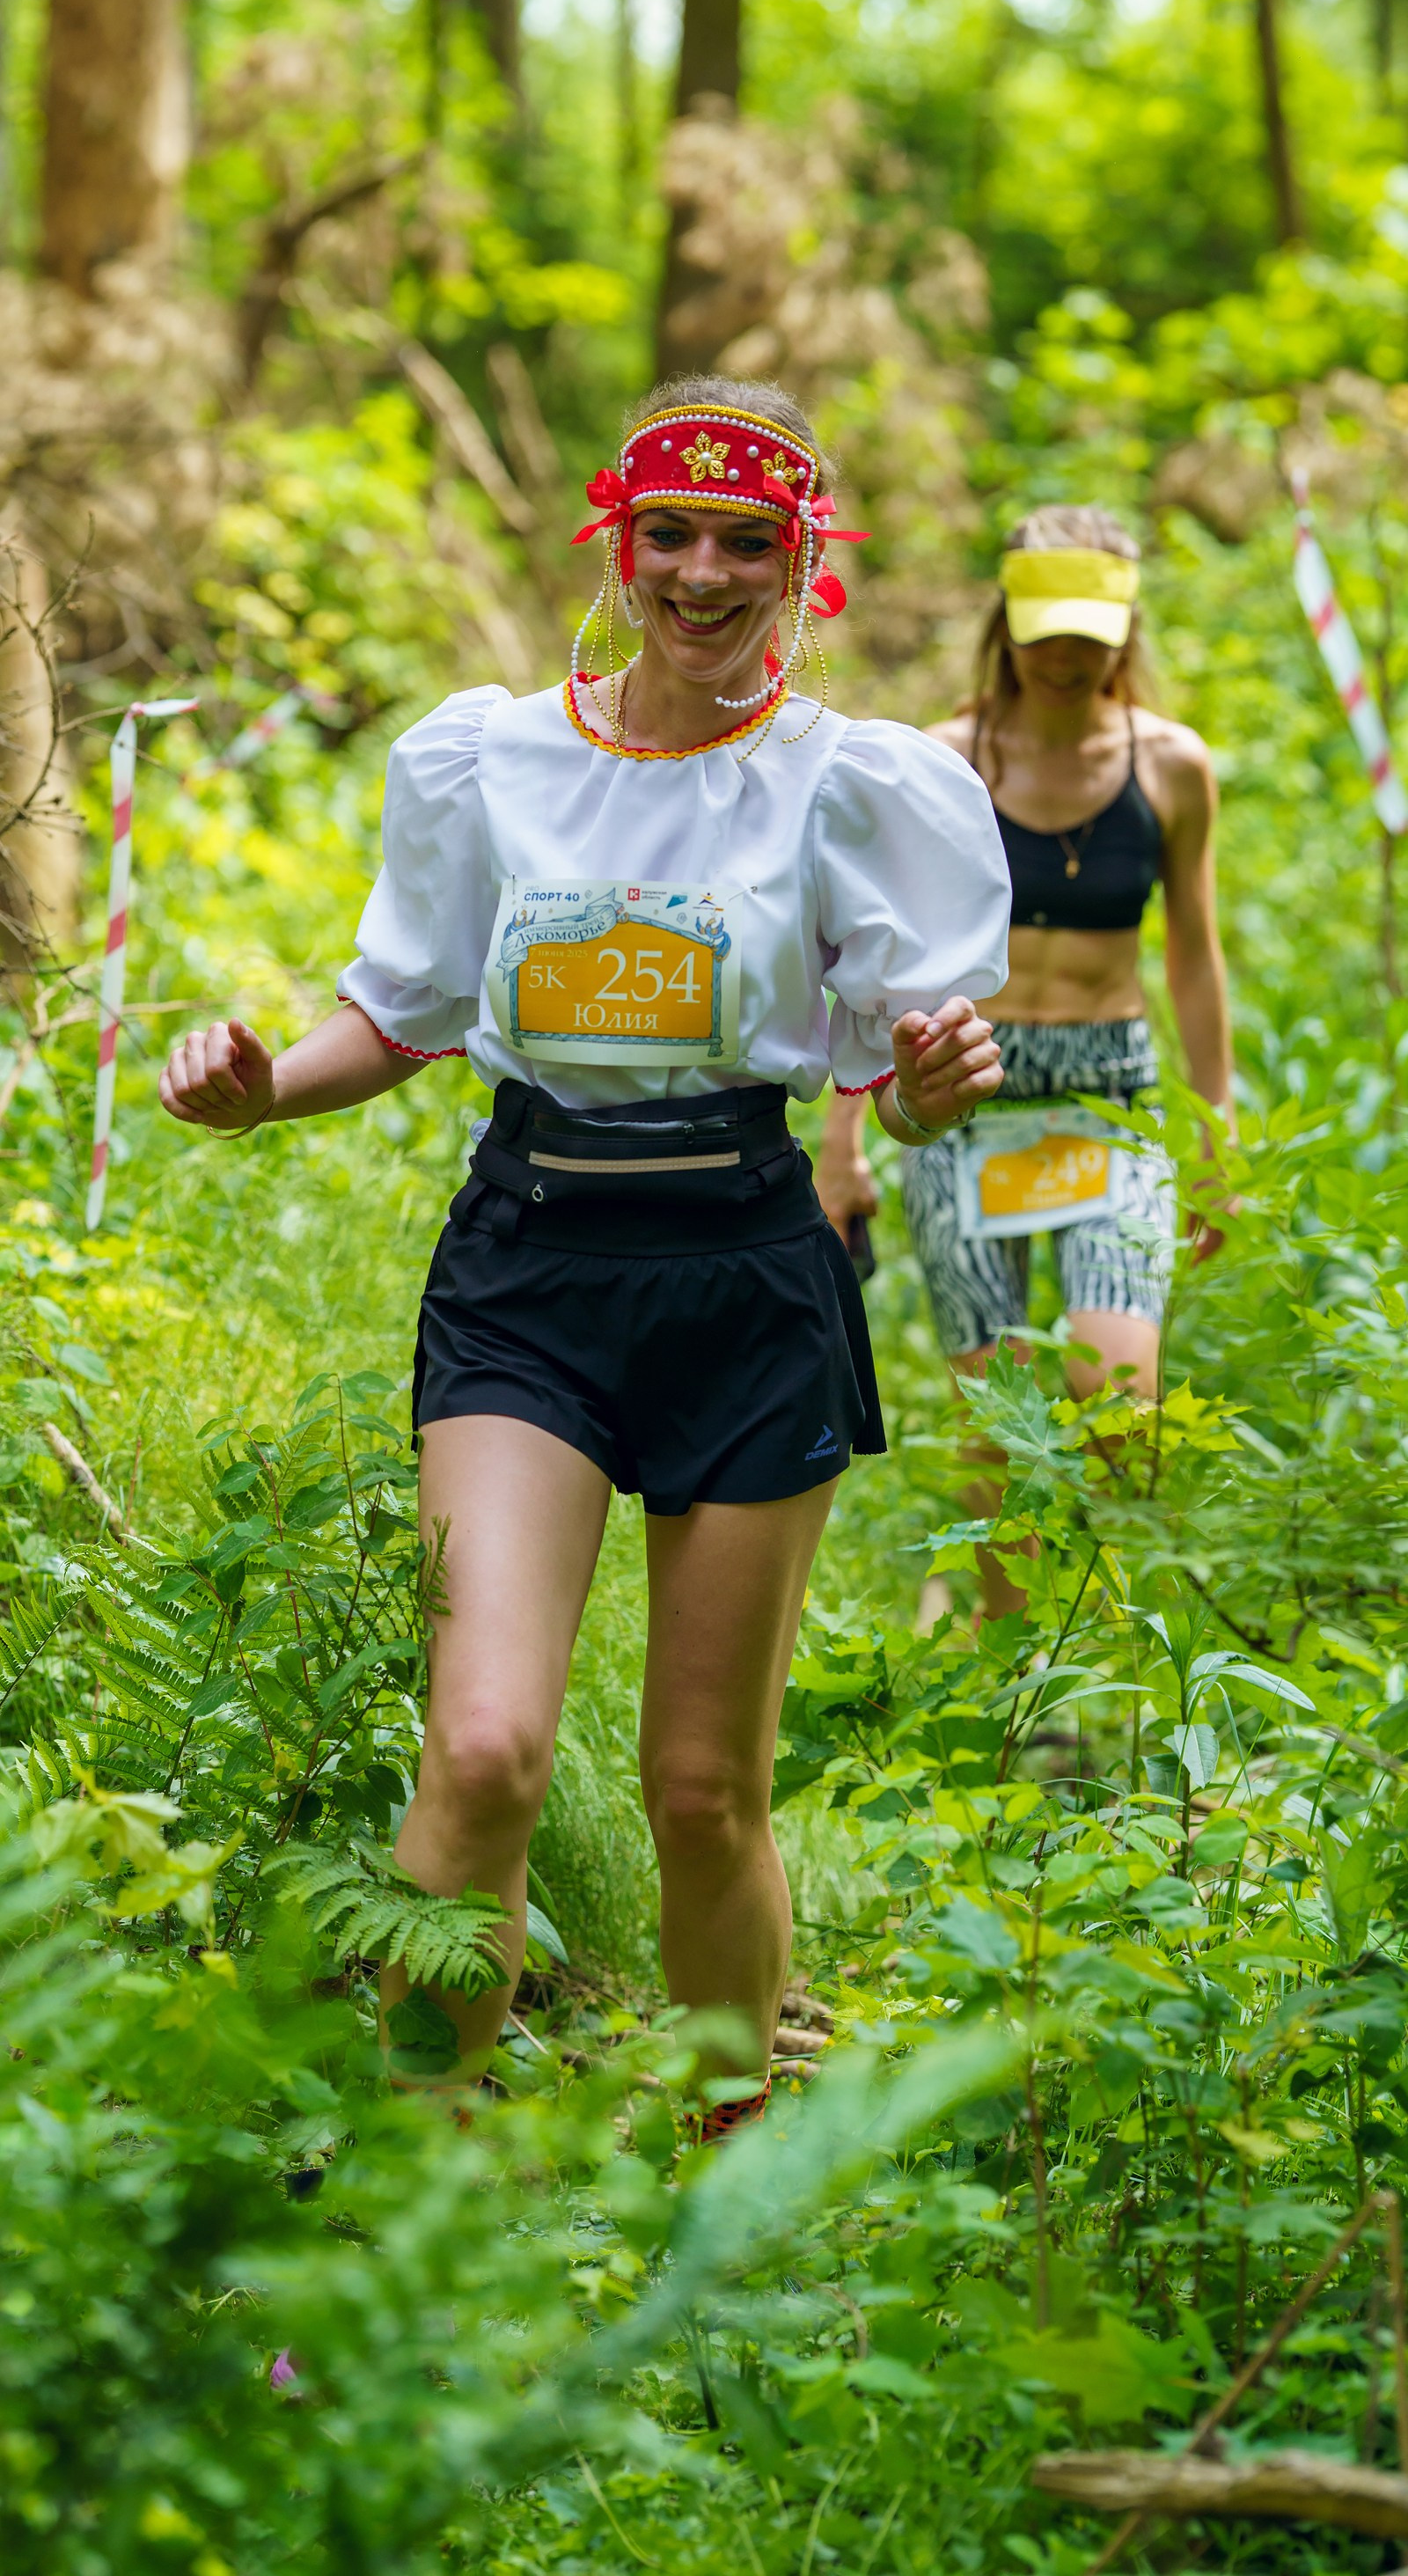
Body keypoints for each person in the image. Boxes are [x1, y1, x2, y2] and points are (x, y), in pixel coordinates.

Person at [160, 377, 1009, 2132]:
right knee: (481, 1752)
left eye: (746, 543)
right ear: (615, 545)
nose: (702, 573)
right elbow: (391, 1018)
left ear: (806, 564)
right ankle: (415, 2201)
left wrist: (925, 1093)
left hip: (748, 1267)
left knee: (703, 1792)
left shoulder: (849, 786)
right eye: (669, 536)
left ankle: (732, 2205)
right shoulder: (492, 758)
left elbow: (901, 1084)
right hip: (530, 1265)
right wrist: (257, 1095)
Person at [817, 506, 1233, 1620]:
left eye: (1090, 635)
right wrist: (841, 1144)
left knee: (1117, 1407)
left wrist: (1215, 1130)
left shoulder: (1171, 766)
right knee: (997, 1421)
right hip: (966, 1097)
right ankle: (1016, 1690)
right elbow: (868, 959)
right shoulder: (943, 761)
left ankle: (1102, 1656)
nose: (1065, 658)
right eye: (1046, 631)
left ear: (1126, 626)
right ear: (1005, 621)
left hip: (1110, 1105)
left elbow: (1192, 954)